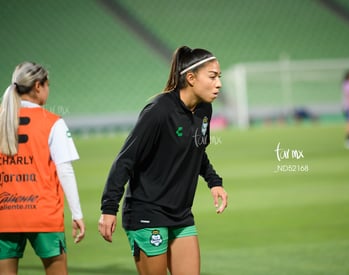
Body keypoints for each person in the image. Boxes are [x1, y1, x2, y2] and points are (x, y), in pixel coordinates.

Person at [98, 46, 228, 275]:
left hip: (181, 213)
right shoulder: (158, 111)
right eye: (212, 76)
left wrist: (214, 181)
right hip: (147, 213)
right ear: (191, 78)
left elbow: (197, 150)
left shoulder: (205, 110)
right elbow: (125, 160)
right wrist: (109, 208)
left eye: (219, 77)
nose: (219, 83)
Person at [0, 62, 85, 274]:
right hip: (43, 214)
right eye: (48, 85)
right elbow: (65, 171)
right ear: (38, 86)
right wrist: (77, 214)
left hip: (5, 215)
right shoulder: (53, 122)